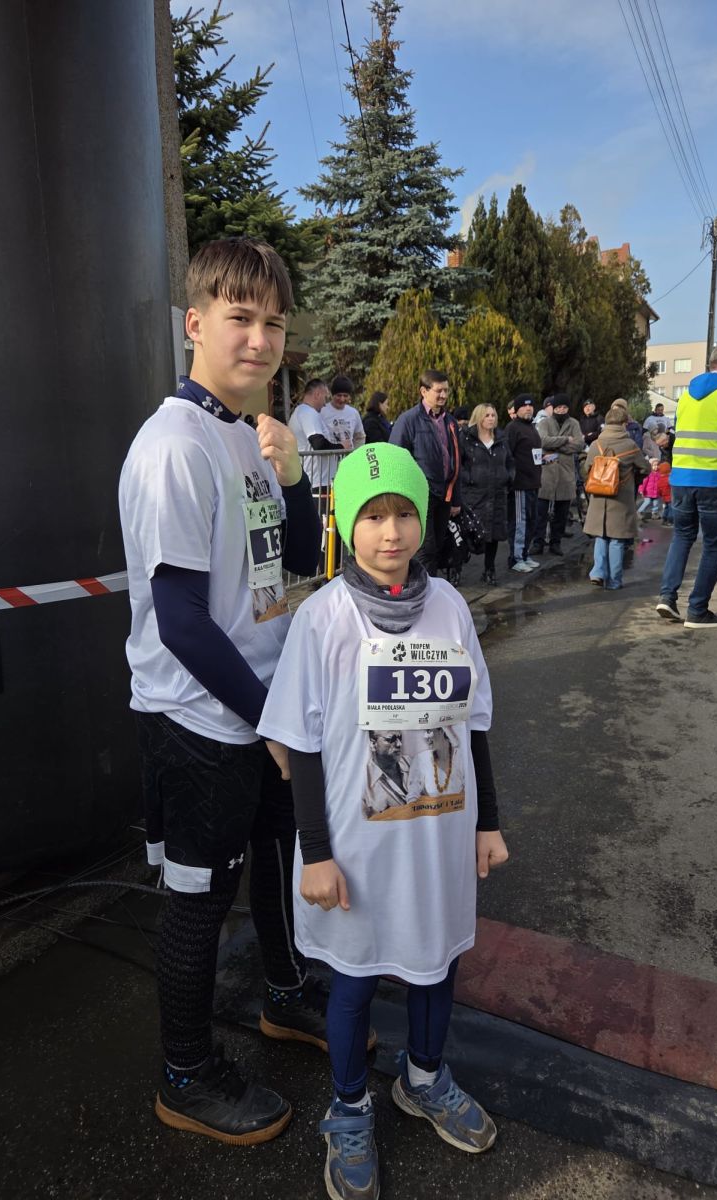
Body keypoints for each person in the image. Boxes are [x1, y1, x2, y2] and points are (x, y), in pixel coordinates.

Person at [257, 442, 508, 1200]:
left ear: (422, 519)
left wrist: (487, 823)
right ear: (347, 526)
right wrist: (316, 853)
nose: (390, 532)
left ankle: (423, 1078)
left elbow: (474, 724)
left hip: (439, 837)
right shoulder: (323, 618)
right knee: (354, 979)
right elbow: (299, 744)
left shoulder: (450, 607)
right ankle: (349, 1107)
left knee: (436, 964)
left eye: (403, 513)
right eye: (371, 517)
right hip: (357, 849)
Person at [118, 237, 324, 1146]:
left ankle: (284, 992)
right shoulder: (174, 445)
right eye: (241, 318)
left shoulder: (245, 434)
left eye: (274, 322)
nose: (260, 339)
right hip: (202, 718)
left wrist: (293, 475)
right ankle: (185, 1073)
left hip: (262, 705)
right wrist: (269, 718)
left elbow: (296, 558)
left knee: (276, 855)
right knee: (199, 900)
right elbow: (181, 621)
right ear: (195, 324)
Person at [655, 341, 717, 628]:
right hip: (715, 481)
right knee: (713, 545)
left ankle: (667, 597)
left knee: (682, 536)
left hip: (681, 480)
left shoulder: (687, 395)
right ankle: (697, 610)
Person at [389, 369, 462, 574]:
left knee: (437, 545)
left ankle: (428, 584)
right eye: (439, 391)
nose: (443, 395)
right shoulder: (408, 420)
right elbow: (396, 459)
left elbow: (456, 461)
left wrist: (456, 499)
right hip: (420, 494)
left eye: (446, 390)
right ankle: (421, 587)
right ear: (424, 391)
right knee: (425, 548)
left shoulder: (450, 422)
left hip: (444, 494)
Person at [584, 400, 649, 590]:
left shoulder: (596, 444)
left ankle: (598, 572)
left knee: (600, 537)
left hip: (598, 496)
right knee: (616, 540)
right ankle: (614, 580)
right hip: (620, 498)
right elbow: (644, 468)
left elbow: (587, 468)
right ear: (624, 424)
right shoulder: (630, 445)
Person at [459, 403, 515, 585]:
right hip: (474, 494)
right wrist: (469, 478)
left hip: (497, 494)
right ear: (479, 417)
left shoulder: (501, 439)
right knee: (468, 532)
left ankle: (489, 569)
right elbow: (458, 463)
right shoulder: (466, 438)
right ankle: (457, 569)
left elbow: (510, 462)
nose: (491, 418)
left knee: (494, 533)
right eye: (487, 415)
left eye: (493, 415)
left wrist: (508, 477)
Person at [530, 394, 585, 557]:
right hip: (546, 473)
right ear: (553, 408)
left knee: (561, 513)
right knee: (541, 512)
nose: (561, 410)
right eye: (559, 407)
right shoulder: (545, 423)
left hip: (566, 473)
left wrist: (556, 446)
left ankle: (556, 542)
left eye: (564, 407)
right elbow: (542, 441)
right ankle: (538, 542)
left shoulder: (574, 423)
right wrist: (565, 439)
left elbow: (579, 444)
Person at [505, 395, 542, 573]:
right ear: (517, 409)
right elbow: (507, 456)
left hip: (534, 482)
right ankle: (516, 558)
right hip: (519, 485)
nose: (528, 409)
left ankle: (525, 554)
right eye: (524, 407)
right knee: (520, 522)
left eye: (531, 406)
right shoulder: (512, 428)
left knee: (532, 521)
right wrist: (512, 478)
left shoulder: (532, 427)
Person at [289, 378, 345, 493]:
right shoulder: (308, 413)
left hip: (317, 481)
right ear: (317, 394)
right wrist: (342, 447)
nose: (325, 404)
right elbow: (318, 444)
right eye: (325, 398)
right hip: (317, 482)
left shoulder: (304, 412)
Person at [322, 375, 366, 452]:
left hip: (349, 457)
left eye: (345, 396)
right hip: (329, 457)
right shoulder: (322, 411)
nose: (342, 399)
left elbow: (360, 437)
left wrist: (356, 453)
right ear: (332, 394)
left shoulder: (353, 413)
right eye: (339, 395)